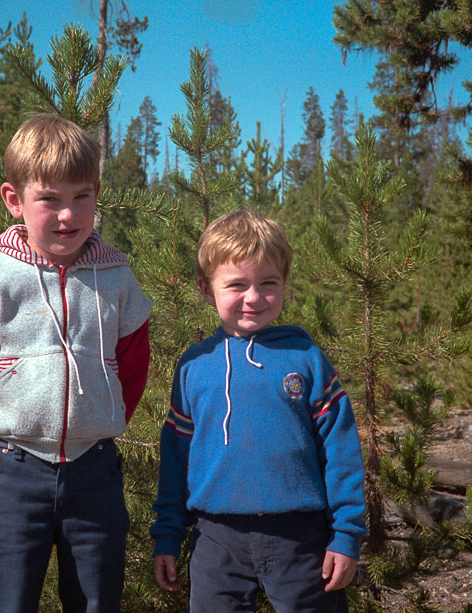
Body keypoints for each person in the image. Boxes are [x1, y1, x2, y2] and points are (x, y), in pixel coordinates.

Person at [0, 113, 152, 613]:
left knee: (96, 601)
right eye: (49, 199)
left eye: (81, 197)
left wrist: (99, 419)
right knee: (4, 602)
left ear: (97, 195)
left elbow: (132, 365)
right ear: (14, 199)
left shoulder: (118, 280)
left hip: (93, 472)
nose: (67, 214)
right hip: (10, 472)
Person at [150, 210, 365, 613]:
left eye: (268, 283)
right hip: (215, 537)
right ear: (205, 288)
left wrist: (346, 535)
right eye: (237, 285)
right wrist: (167, 535)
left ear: (284, 284)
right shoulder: (194, 366)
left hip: (300, 536)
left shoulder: (306, 359)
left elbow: (342, 451)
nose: (254, 297)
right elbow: (175, 459)